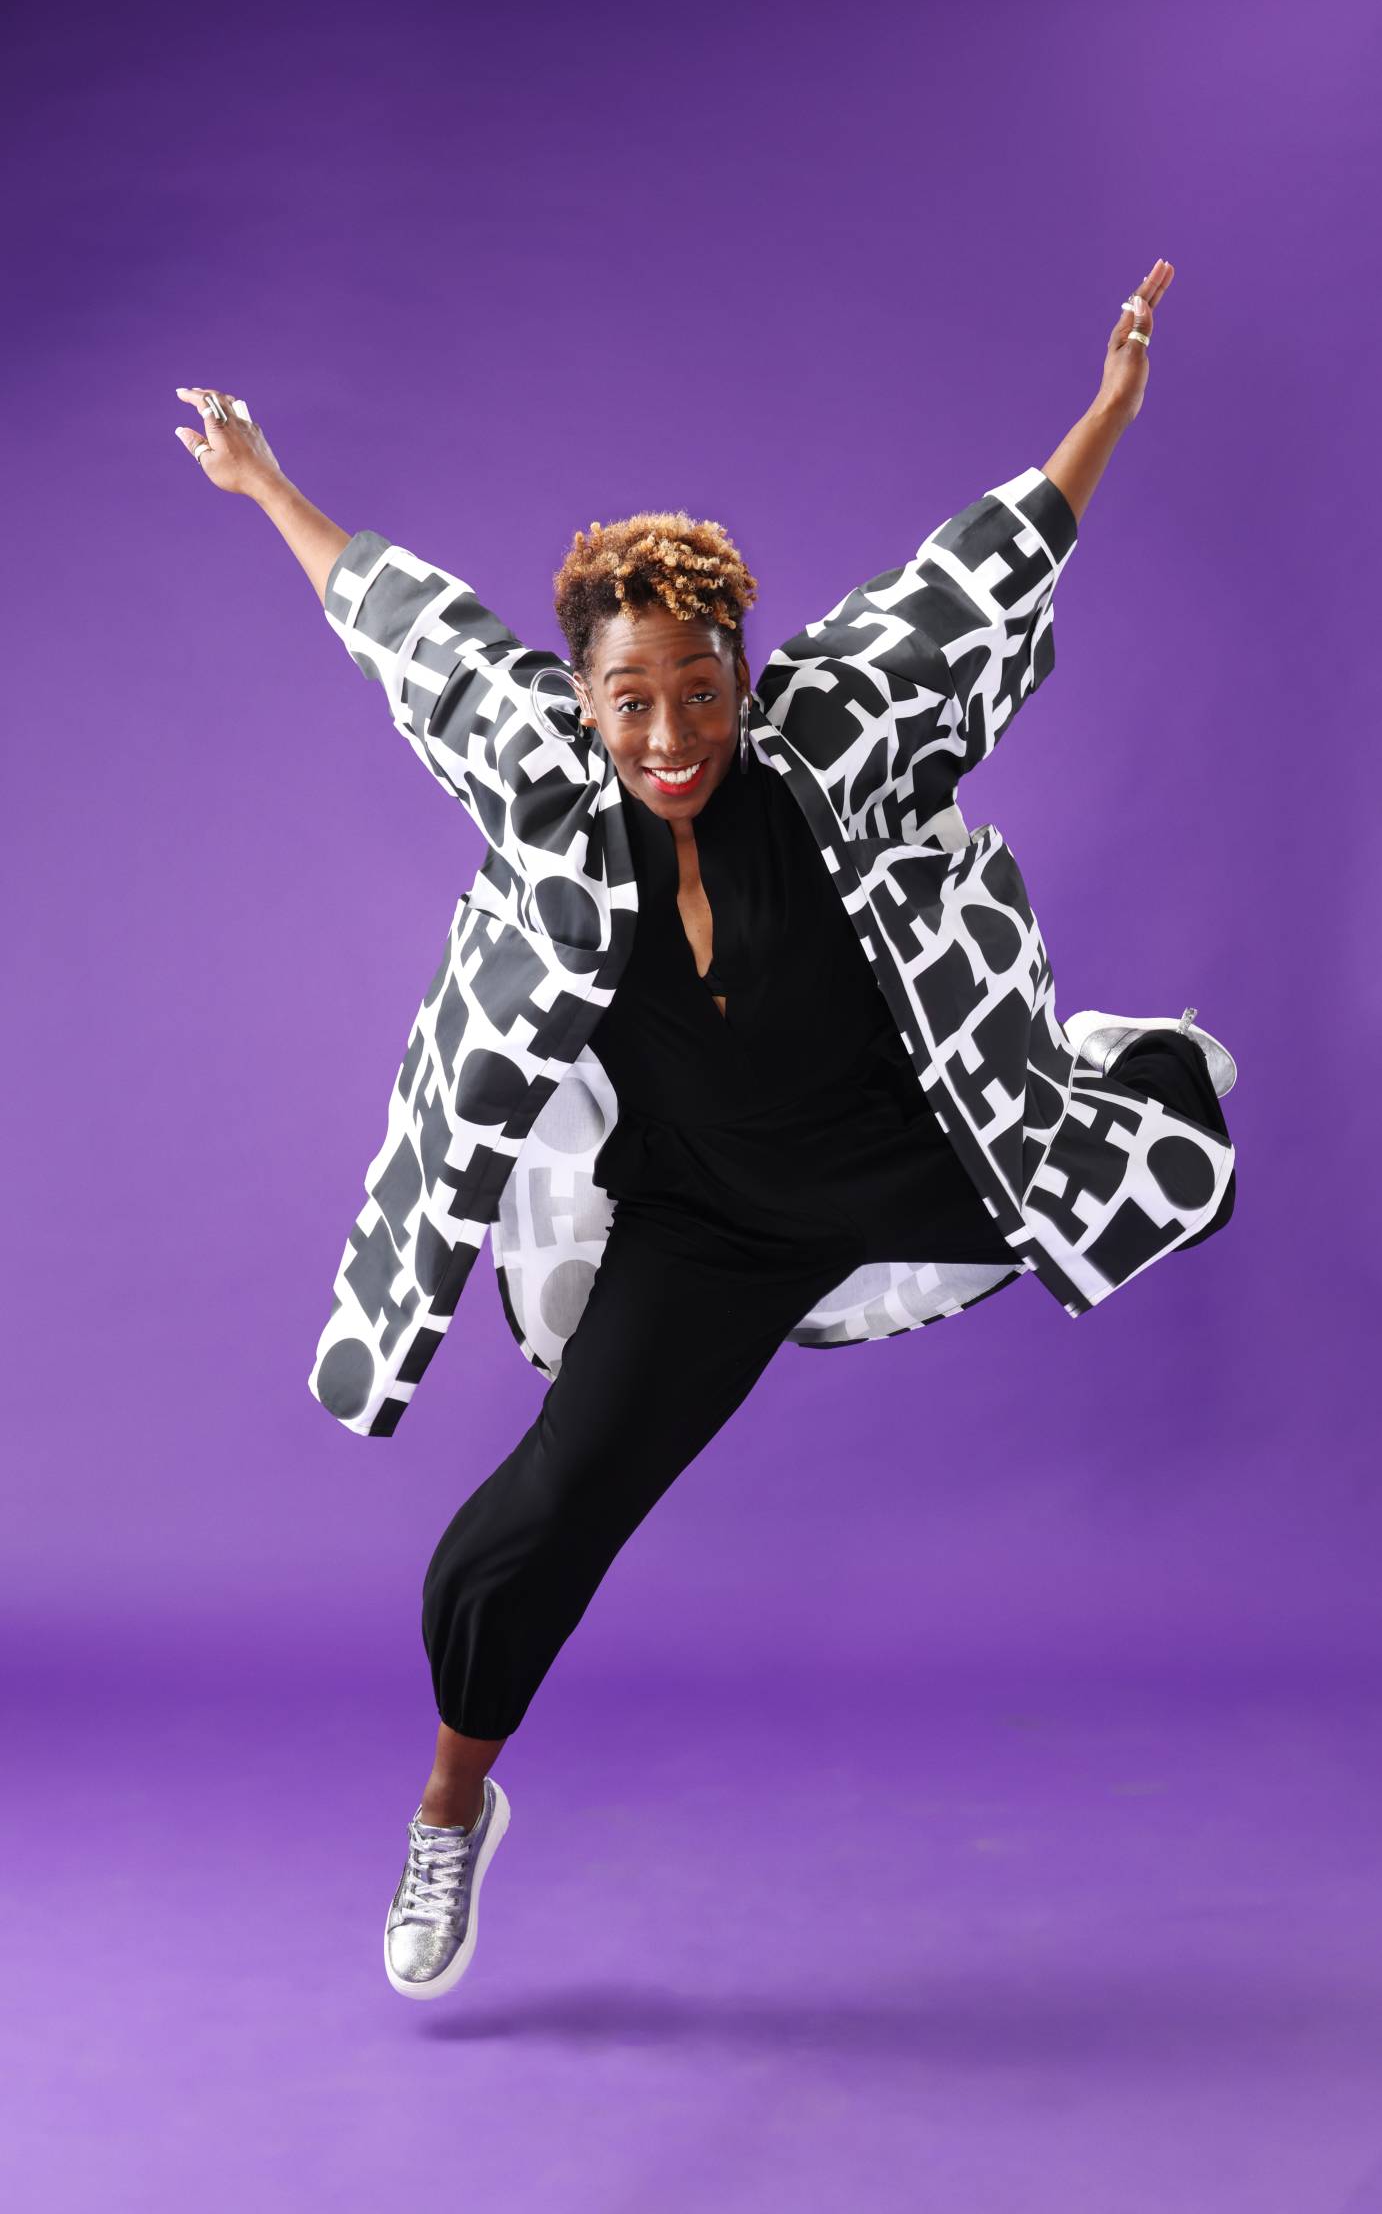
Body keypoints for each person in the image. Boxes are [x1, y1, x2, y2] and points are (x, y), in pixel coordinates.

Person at [175, 254, 1237, 2003]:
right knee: (534, 1524)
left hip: (911, 1142)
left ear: (741, 669)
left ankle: (1083, 1065)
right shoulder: (539, 771)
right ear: (583, 698)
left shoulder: (831, 736)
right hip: (706, 1222)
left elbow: (974, 578)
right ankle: (452, 1813)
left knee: (1150, 1170)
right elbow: (408, 630)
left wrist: (1105, 411)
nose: (669, 734)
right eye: (630, 700)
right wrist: (269, 486)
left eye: (698, 688)